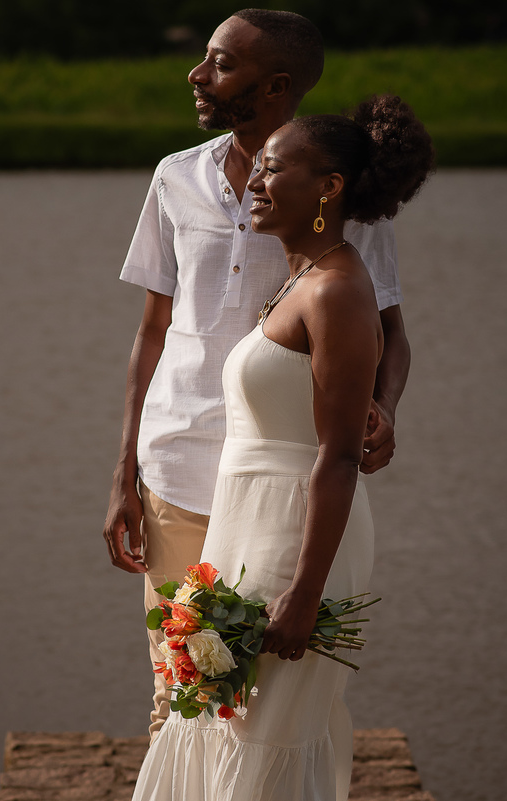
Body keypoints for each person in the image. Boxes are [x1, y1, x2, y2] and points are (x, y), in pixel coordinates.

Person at [102, 9, 411, 738]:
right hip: (174, 470)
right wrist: (124, 474)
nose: (197, 74)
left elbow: (390, 334)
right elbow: (152, 333)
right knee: (180, 692)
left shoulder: (341, 194)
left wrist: (386, 406)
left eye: (219, 63)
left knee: (268, 703)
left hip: (282, 486)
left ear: (275, 85)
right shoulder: (175, 178)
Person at [130, 95, 435, 801]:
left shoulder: (338, 290)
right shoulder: (304, 277)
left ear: (328, 188)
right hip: (248, 526)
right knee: (224, 715)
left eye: (273, 171)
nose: (256, 186)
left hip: (295, 536)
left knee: (263, 731)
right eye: (258, 171)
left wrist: (304, 592)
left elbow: (336, 457)